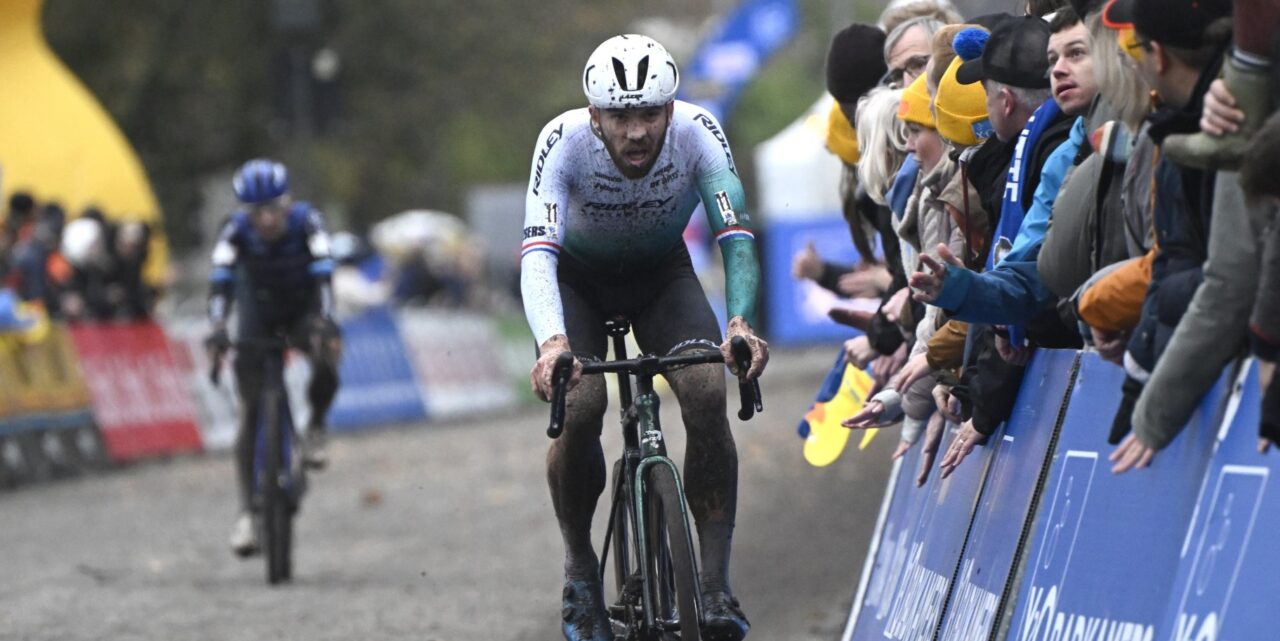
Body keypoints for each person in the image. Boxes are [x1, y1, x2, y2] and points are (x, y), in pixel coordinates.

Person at [520, 34, 768, 641]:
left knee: (707, 389)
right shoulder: (562, 142)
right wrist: (553, 343)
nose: (637, 132)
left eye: (650, 114)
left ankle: (714, 587)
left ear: (671, 108)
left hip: (661, 277)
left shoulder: (699, 133)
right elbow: (537, 256)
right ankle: (581, 573)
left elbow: (734, 234)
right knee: (580, 407)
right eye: (622, 117)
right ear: (595, 115)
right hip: (579, 282)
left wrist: (738, 324)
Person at [204, 159, 343, 557]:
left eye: (274, 209)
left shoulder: (308, 222)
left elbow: (324, 272)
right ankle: (247, 513)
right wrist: (216, 327)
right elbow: (220, 280)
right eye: (256, 212)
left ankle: (315, 425)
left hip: (302, 313)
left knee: (326, 353)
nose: (266, 219)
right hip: (258, 318)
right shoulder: (233, 230)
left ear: (288, 202)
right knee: (250, 411)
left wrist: (326, 320)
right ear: (244, 212)